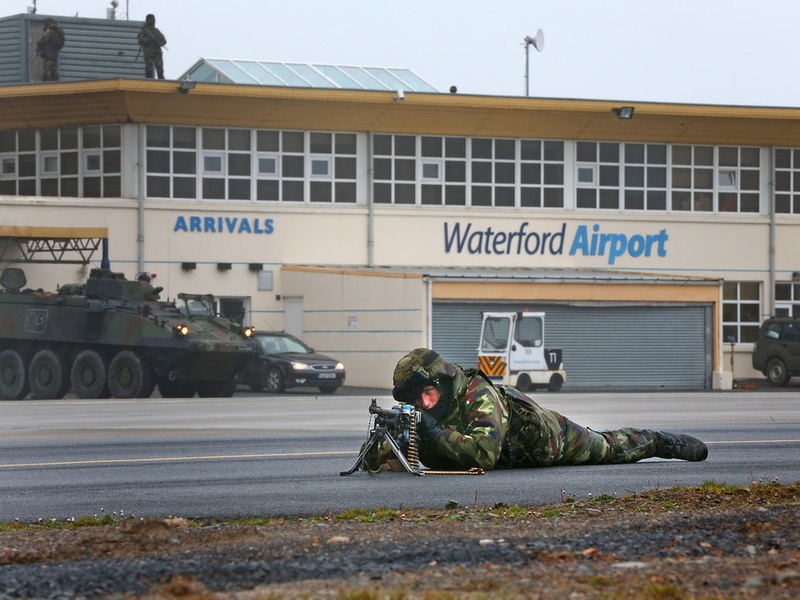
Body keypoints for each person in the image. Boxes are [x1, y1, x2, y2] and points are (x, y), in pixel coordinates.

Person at [376, 348, 708, 472]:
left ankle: (658, 442)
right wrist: (389, 435)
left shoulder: (479, 397)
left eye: (427, 395)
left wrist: (431, 431)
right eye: (416, 400)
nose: (423, 405)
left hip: (547, 440)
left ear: (443, 382)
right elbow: (385, 461)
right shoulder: (433, 408)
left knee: (607, 449)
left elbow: (483, 455)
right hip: (515, 454)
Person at [137, 14, 167, 79]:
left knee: (159, 67)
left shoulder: (156, 31)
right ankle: (149, 79)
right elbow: (140, 40)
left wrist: (159, 43)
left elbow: (164, 41)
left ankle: (161, 79)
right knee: (149, 68)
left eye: (152, 20)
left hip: (157, 51)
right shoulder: (144, 31)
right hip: (148, 51)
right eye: (150, 20)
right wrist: (148, 41)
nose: (151, 21)